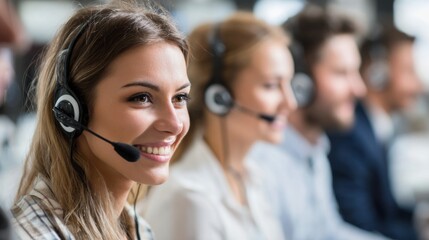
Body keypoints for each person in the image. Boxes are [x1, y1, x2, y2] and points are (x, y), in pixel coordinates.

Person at [11, 1, 190, 239]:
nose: (175, 124)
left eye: (180, 97)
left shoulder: (137, 230)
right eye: (142, 97)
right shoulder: (31, 234)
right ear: (71, 111)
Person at [141, 11, 297, 240]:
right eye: (271, 86)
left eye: (289, 83)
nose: (290, 103)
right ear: (220, 96)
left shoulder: (255, 177)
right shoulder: (190, 199)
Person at [250, 5, 390, 240]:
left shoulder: (315, 148)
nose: (359, 89)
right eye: (341, 73)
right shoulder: (263, 166)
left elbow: (330, 232)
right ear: (300, 80)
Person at [327, 21, 422, 240]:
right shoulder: (350, 136)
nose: (418, 86)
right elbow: (362, 227)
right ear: (377, 73)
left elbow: (386, 210)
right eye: (408, 71)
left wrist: (419, 220)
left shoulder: (375, 127)